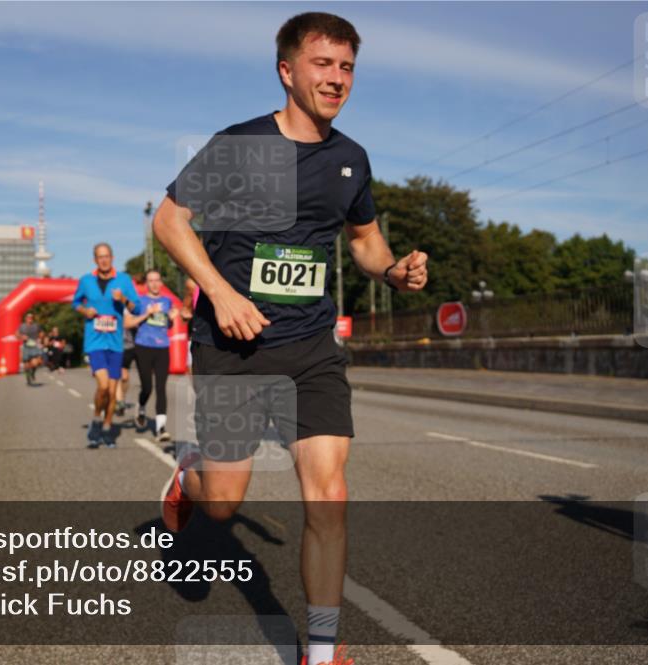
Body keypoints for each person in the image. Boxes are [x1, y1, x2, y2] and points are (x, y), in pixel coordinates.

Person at [153, 14, 429, 665]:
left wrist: (391, 268)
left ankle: (324, 651)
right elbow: (170, 220)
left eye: (346, 67)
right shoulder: (239, 145)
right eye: (322, 64)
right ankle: (190, 474)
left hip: (311, 345)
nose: (336, 78)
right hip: (234, 347)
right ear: (288, 70)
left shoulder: (351, 160)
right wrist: (220, 292)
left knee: (329, 492)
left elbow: (363, 240)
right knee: (222, 503)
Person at [71, 243, 138, 448]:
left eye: (107, 256)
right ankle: (96, 420)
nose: (104, 260)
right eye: (100, 257)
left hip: (115, 343)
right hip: (95, 341)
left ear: (112, 257)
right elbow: (75, 302)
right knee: (102, 385)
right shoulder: (86, 280)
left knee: (112, 389)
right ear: (95, 259)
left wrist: (123, 298)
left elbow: (136, 307)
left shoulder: (123, 280)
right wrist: (85, 311)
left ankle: (107, 428)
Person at [127, 270, 177, 441]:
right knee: (147, 387)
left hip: (162, 347)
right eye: (151, 281)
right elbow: (129, 323)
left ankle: (161, 428)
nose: (154, 284)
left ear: (161, 282)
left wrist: (171, 318)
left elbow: (167, 324)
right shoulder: (140, 301)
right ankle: (141, 407)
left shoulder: (167, 301)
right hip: (143, 347)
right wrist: (147, 314)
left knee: (161, 387)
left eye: (157, 280)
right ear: (146, 283)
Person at [17, 312, 43, 385]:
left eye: (31, 318)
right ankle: (28, 376)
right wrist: (21, 337)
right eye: (28, 318)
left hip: (34, 346)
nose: (30, 319)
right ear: (26, 319)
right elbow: (16, 334)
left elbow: (41, 333)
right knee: (26, 365)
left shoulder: (36, 326)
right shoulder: (22, 326)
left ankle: (32, 373)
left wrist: (40, 338)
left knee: (36, 363)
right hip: (26, 346)